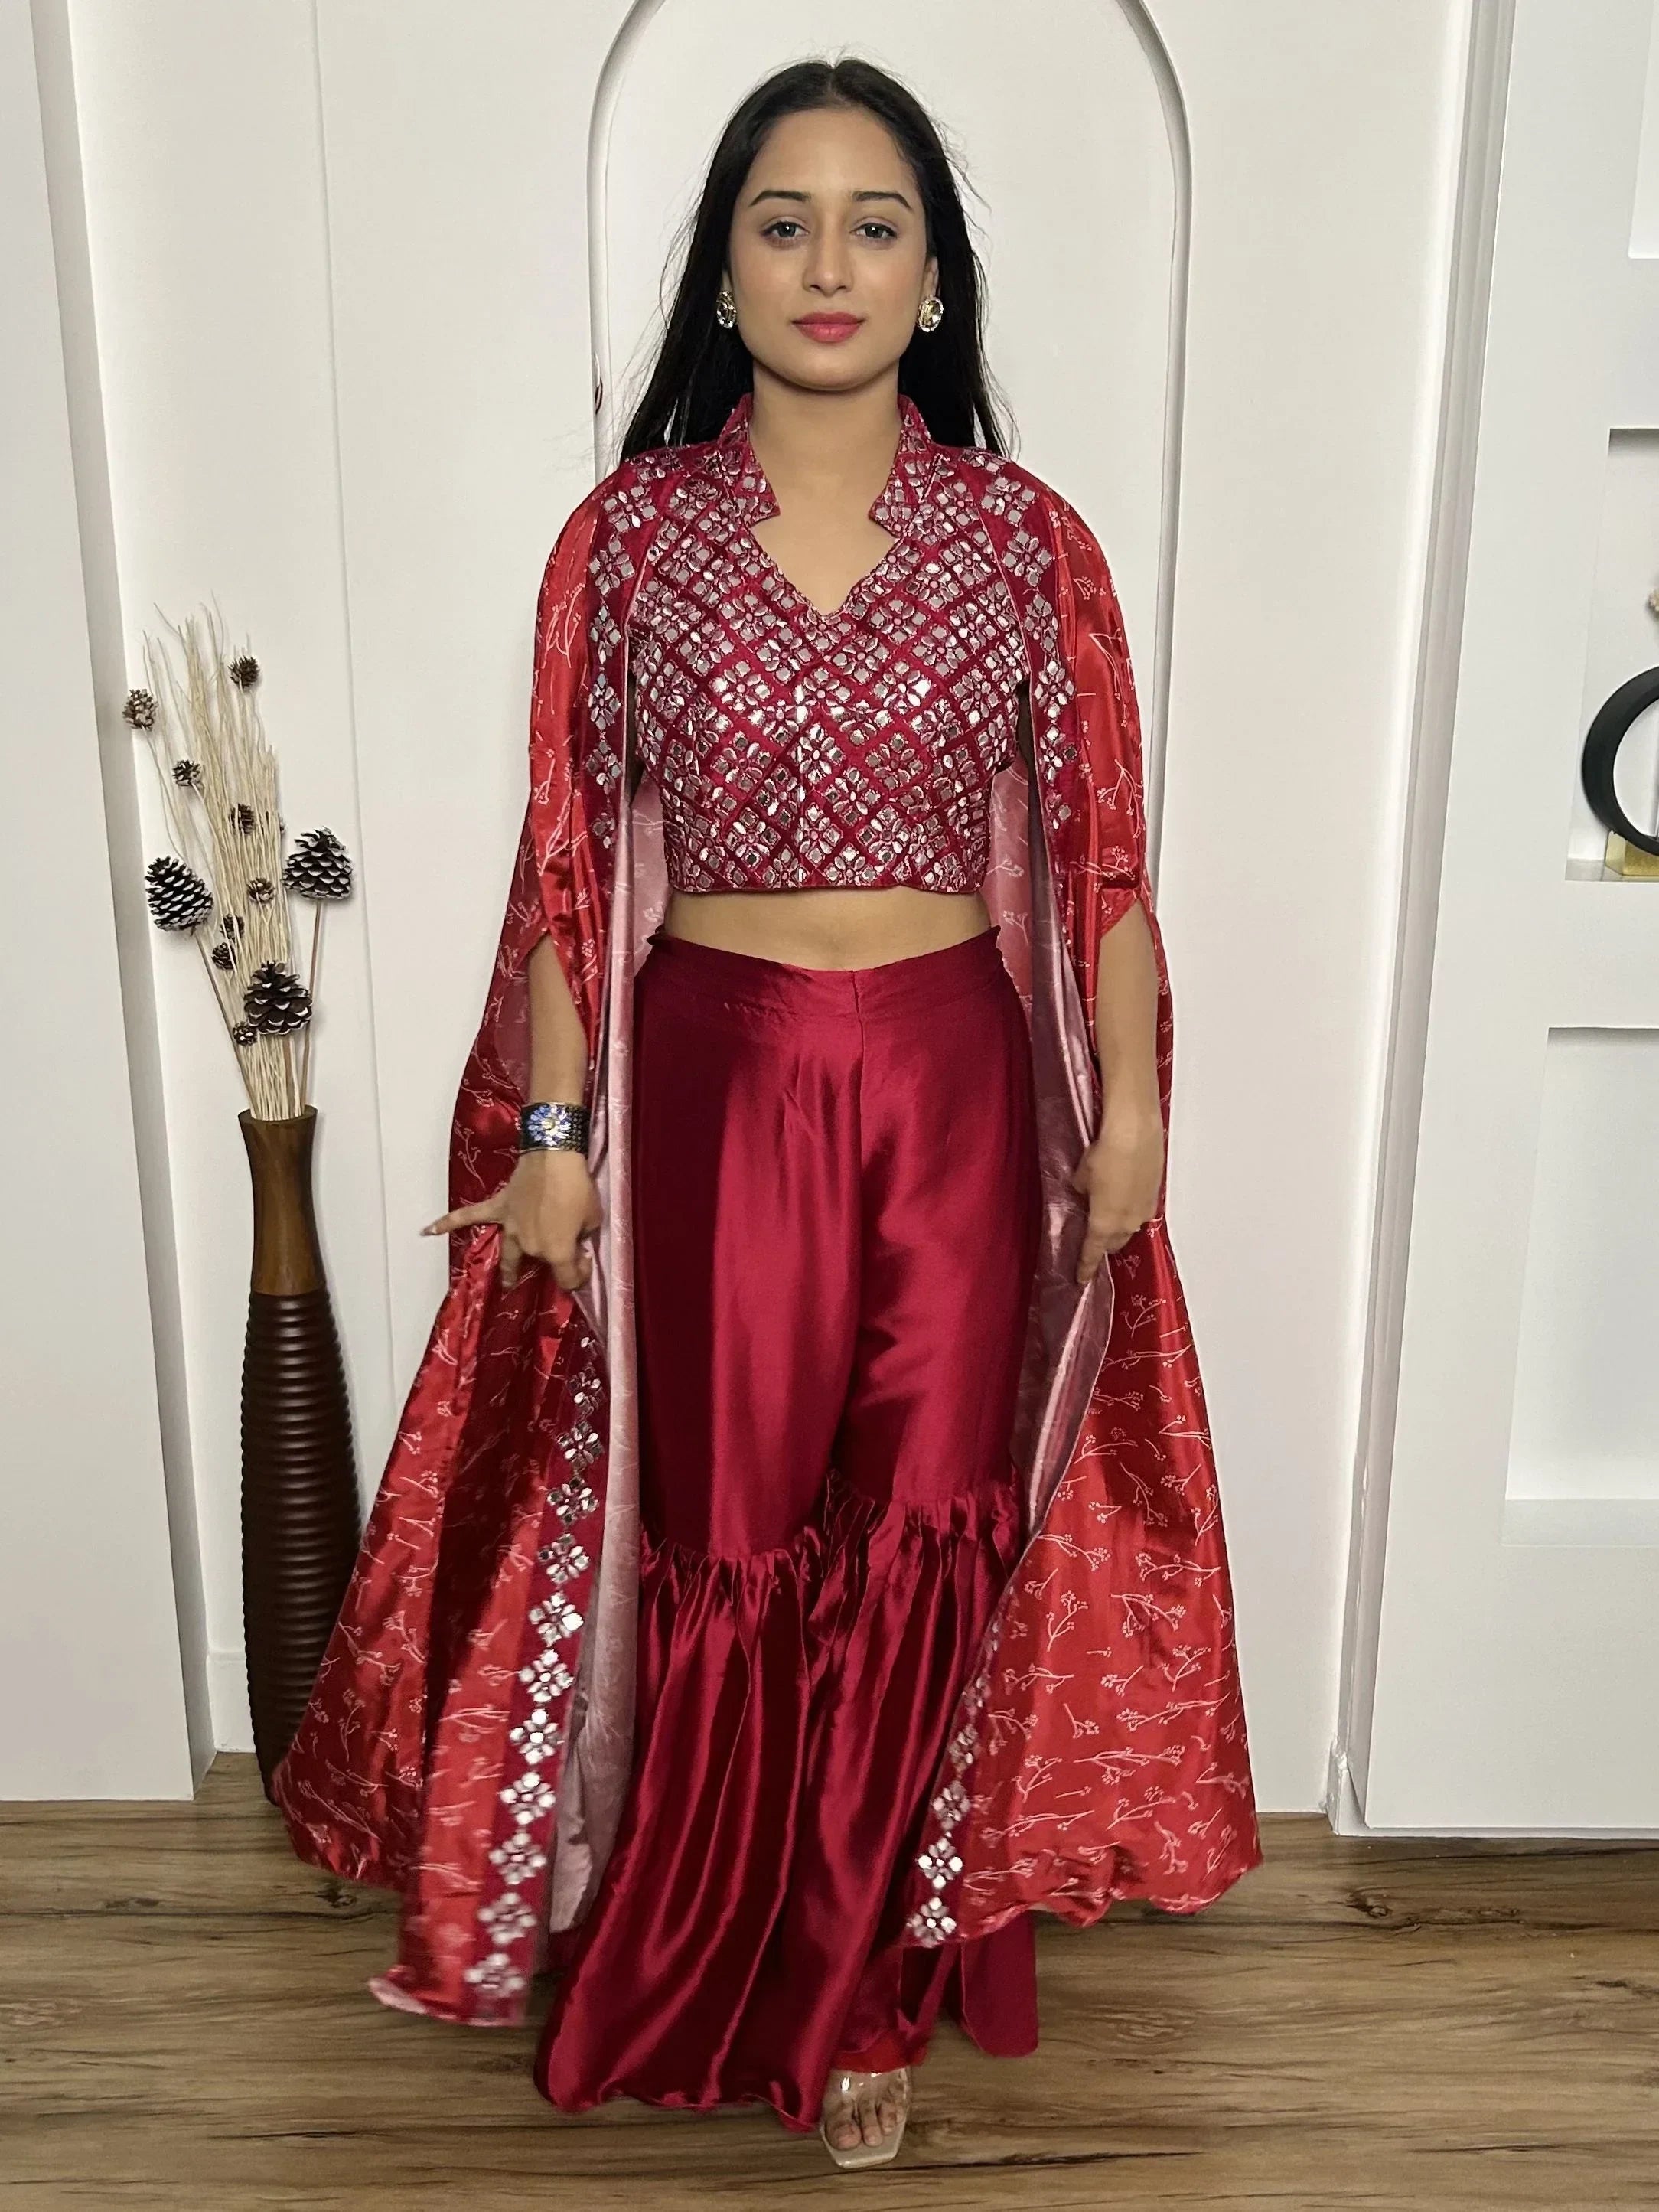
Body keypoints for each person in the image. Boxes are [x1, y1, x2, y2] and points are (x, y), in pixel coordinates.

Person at [269, 55, 1261, 2174]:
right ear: (721, 274)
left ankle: (859, 1982)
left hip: (955, 1079)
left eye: (876, 222)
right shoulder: (627, 543)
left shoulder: (1022, 541)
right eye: (783, 221)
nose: (830, 262)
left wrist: (1139, 1115)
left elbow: (1098, 869)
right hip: (710, 1076)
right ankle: (703, 1940)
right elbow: (563, 875)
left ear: (933, 277)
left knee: (920, 1523)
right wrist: (551, 1138)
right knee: (723, 1530)